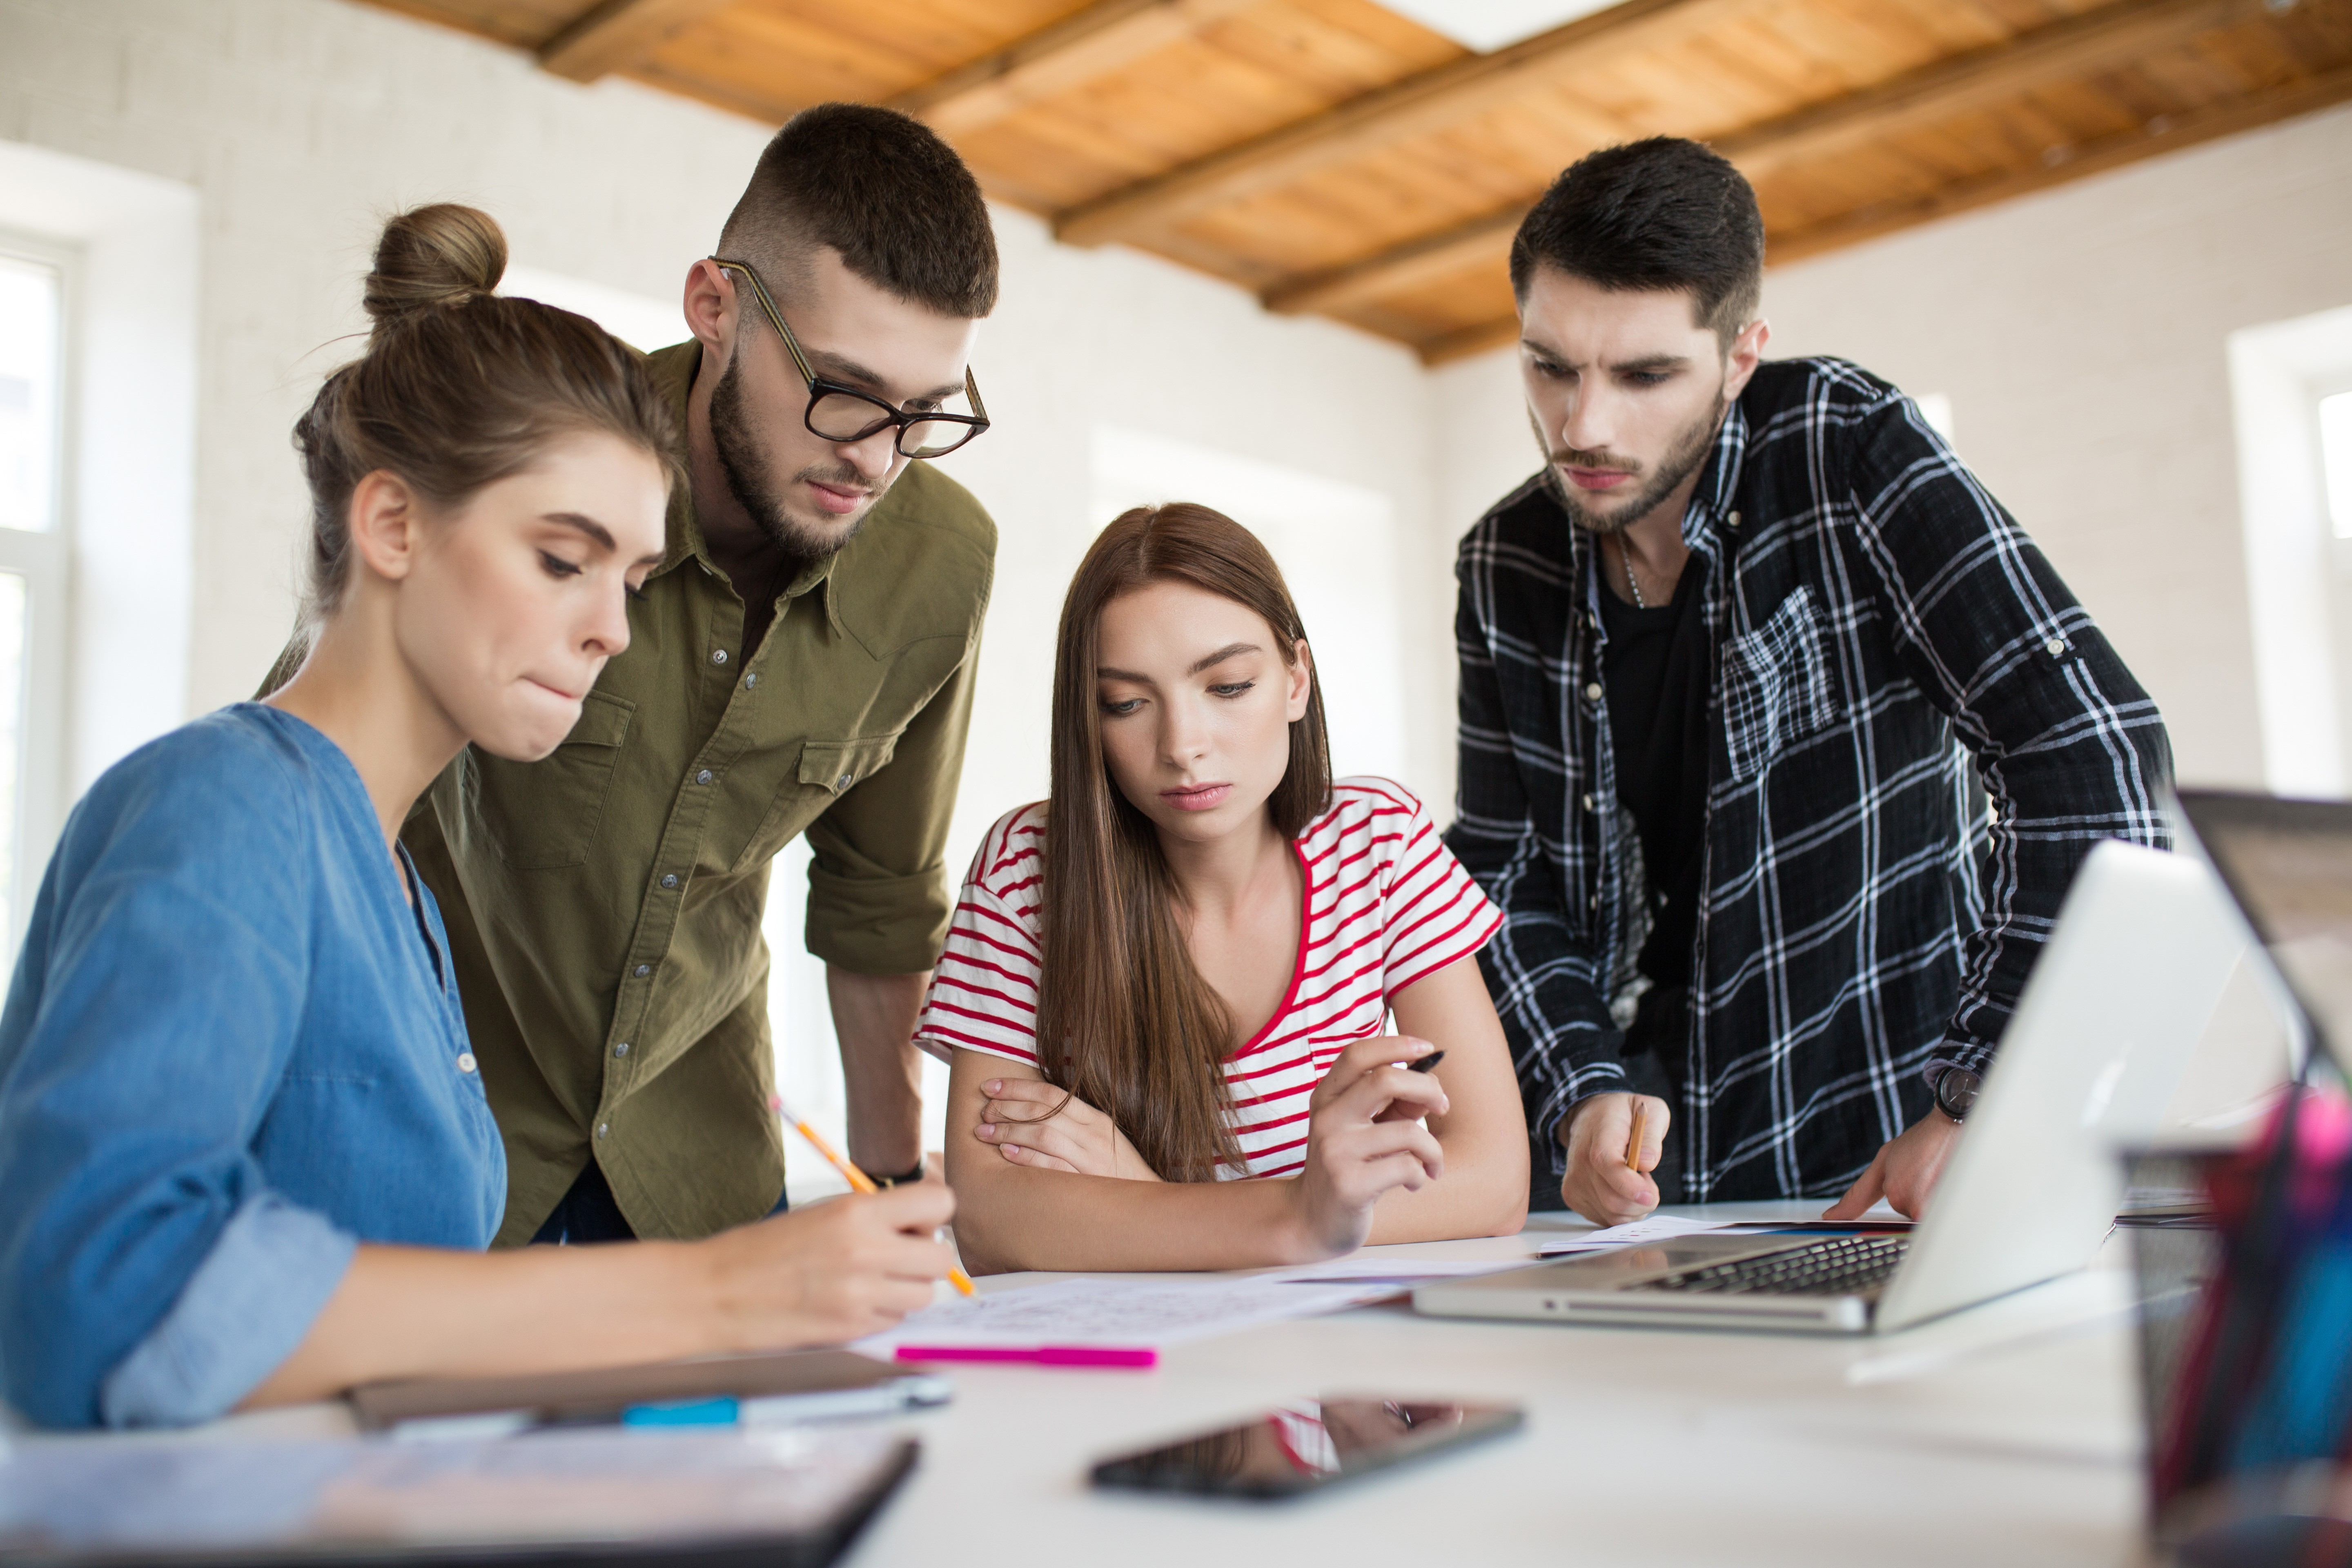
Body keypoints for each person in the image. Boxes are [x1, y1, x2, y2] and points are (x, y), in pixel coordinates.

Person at [0, 206, 957, 1431]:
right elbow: (97, 1291)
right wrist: (710, 1292)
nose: (612, 628)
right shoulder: (222, 807)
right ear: (394, 525)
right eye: (565, 560)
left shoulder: (397, 889)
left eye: (632, 579)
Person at [263, 104, 1001, 1245]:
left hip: (695, 1169)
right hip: (434, 1143)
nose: (875, 455)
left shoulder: (938, 563)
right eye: (845, 391)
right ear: (716, 307)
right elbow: (318, 763)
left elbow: (881, 899)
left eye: (923, 414)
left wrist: (897, 1189)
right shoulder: (552, 457)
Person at [1446, 138, 2172, 1228]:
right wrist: (1579, 1087)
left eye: (1645, 375)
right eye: (1551, 366)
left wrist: (1984, 1096)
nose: (1584, 425)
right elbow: (1503, 879)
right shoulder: (1503, 564)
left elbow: (2096, 752)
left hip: (1897, 1138)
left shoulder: (1844, 448)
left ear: (1741, 358)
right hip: (1644, 1171)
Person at [920, 505, 1528, 1274]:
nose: (1183, 747)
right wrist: (1303, 1214)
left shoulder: (1376, 840)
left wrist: (1145, 1197)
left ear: (1296, 681)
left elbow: (1493, 1181)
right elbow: (992, 1219)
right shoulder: (1026, 868)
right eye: (1126, 704)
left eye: (1229, 686)